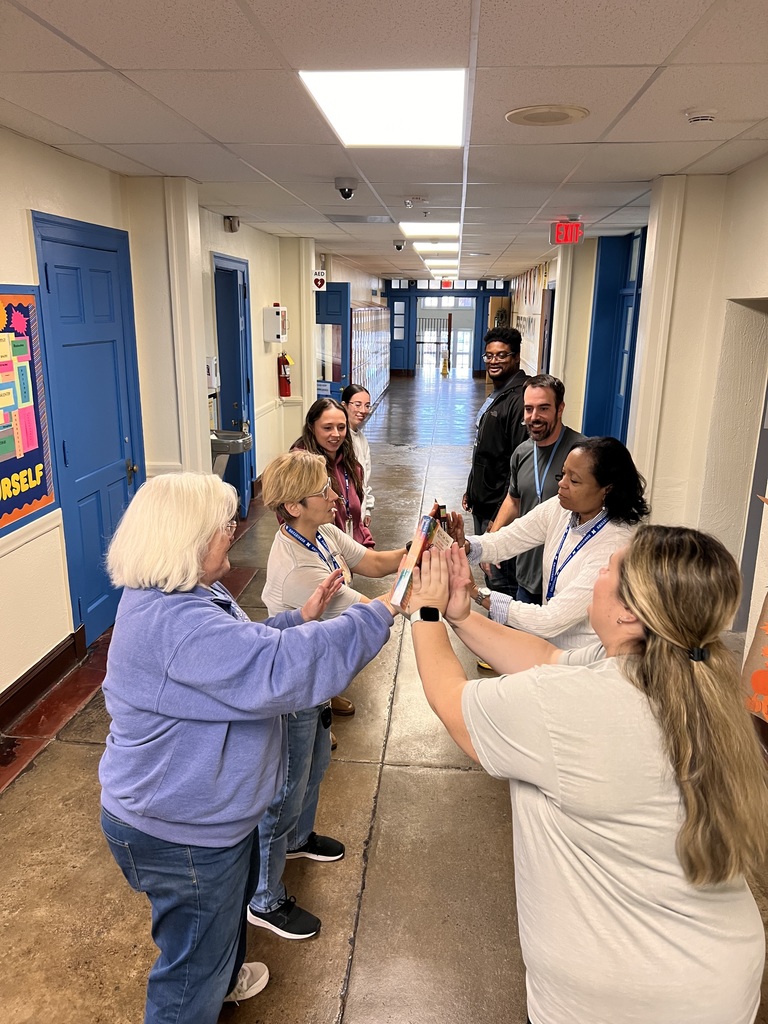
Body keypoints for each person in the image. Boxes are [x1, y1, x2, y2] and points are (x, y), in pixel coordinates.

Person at [408, 532, 768, 1024]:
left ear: (629, 614)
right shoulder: (689, 673)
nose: (596, 575)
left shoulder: (570, 705)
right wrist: (461, 614)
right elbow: (549, 658)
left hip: (619, 1001)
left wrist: (423, 613)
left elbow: (454, 706)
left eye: (606, 570)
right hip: (718, 980)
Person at [98, 472, 397, 1024]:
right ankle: (200, 994)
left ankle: (222, 974)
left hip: (201, 818)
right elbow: (281, 670)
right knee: (189, 970)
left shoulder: (189, 593)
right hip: (178, 830)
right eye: (222, 528)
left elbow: (245, 647)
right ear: (184, 541)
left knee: (217, 927)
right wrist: (380, 612)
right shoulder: (177, 622)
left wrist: (295, 618)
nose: (233, 533)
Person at [247, 450, 407, 940]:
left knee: (315, 767)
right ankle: (264, 898)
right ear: (295, 505)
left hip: (314, 681)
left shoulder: (321, 532)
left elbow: (376, 562)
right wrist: (417, 585)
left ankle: (298, 839)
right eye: (324, 490)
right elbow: (373, 608)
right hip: (294, 688)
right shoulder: (298, 569)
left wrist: (420, 547)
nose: (336, 495)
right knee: (284, 789)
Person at [449, 436, 649, 649]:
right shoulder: (562, 508)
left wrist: (477, 593)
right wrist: (467, 546)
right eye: (563, 474)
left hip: (585, 661)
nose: (561, 484)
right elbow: (511, 537)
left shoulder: (613, 547)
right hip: (552, 650)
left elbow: (550, 620)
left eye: (574, 481)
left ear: (606, 489)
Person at [487, 374, 585, 604]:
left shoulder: (582, 452)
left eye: (543, 408)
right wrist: (492, 540)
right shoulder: (521, 452)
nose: (534, 417)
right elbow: (514, 500)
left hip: (565, 581)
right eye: (528, 409)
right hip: (527, 576)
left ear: (560, 409)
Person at [462, 327, 529, 597]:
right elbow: (485, 449)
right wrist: (472, 487)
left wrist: (498, 519)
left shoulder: (519, 398)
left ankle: (506, 631)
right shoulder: (498, 393)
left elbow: (518, 464)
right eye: (489, 356)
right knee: (490, 571)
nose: (494, 361)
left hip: (499, 509)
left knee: (501, 578)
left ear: (516, 357)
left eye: (502, 355)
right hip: (485, 501)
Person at [293, 397, 373, 548]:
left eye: (341, 427)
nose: (336, 434)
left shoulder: (352, 465)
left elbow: (355, 516)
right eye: (327, 428)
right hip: (318, 560)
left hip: (348, 557)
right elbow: (291, 524)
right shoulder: (300, 469)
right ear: (312, 427)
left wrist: (367, 543)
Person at [342, 384, 375, 530]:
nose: (363, 410)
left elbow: (364, 479)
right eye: (357, 404)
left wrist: (367, 508)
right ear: (344, 406)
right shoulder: (339, 440)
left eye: (367, 405)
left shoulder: (361, 439)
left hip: (358, 512)